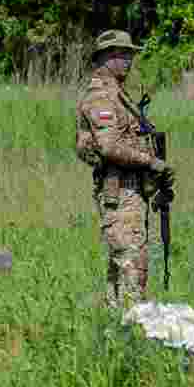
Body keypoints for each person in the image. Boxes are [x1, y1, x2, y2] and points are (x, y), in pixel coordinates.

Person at [75, 30, 175, 310]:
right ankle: (135, 327)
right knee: (133, 263)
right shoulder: (102, 98)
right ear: (105, 58)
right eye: (121, 54)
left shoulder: (119, 95)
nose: (128, 59)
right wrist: (151, 162)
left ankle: (116, 327)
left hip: (132, 190)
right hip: (119, 191)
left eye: (130, 54)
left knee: (122, 266)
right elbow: (108, 147)